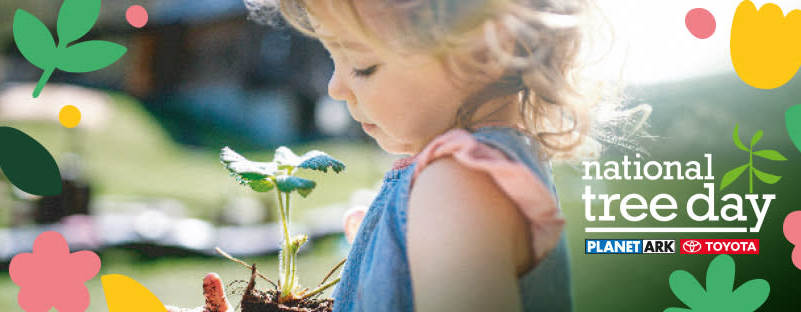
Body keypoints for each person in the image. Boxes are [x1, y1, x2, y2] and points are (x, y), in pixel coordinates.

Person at [168, 0, 642, 311]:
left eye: (362, 64)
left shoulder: (458, 186)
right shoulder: (472, 174)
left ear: (489, 47)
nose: (335, 86)